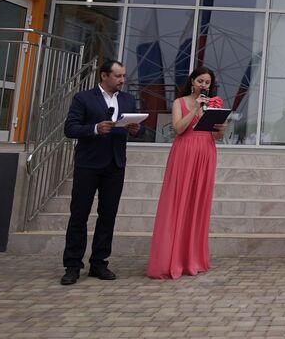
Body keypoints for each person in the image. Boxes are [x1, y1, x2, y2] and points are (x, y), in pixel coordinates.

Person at [60, 59, 140, 285]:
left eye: (123, 76)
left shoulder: (127, 99)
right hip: (88, 164)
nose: (122, 80)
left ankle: (99, 262)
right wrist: (95, 128)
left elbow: (134, 127)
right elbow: (70, 128)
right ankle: (72, 265)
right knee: (79, 215)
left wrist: (135, 129)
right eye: (118, 76)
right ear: (104, 76)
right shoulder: (83, 98)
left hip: (115, 164)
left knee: (108, 215)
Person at [146, 66, 225, 280]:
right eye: (200, 81)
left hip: (206, 152)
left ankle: (193, 258)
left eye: (207, 82)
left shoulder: (214, 103)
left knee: (197, 203)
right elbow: (179, 128)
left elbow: (217, 135)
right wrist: (195, 109)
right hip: (184, 152)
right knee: (177, 202)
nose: (203, 85)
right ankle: (171, 258)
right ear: (192, 81)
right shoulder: (178, 103)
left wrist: (220, 125)